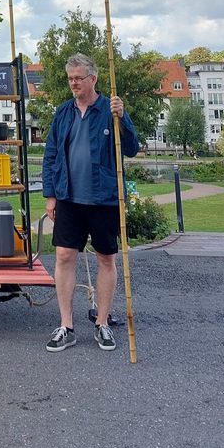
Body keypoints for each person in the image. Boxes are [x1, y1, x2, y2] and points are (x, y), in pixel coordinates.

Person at [42, 53, 139, 353]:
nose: (73, 83)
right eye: (70, 78)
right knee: (63, 258)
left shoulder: (110, 110)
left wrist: (123, 118)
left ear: (93, 79)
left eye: (78, 78)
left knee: (105, 259)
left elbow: (132, 149)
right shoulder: (64, 113)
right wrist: (50, 195)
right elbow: (51, 154)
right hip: (69, 197)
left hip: (103, 198)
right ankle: (66, 325)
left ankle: (103, 323)